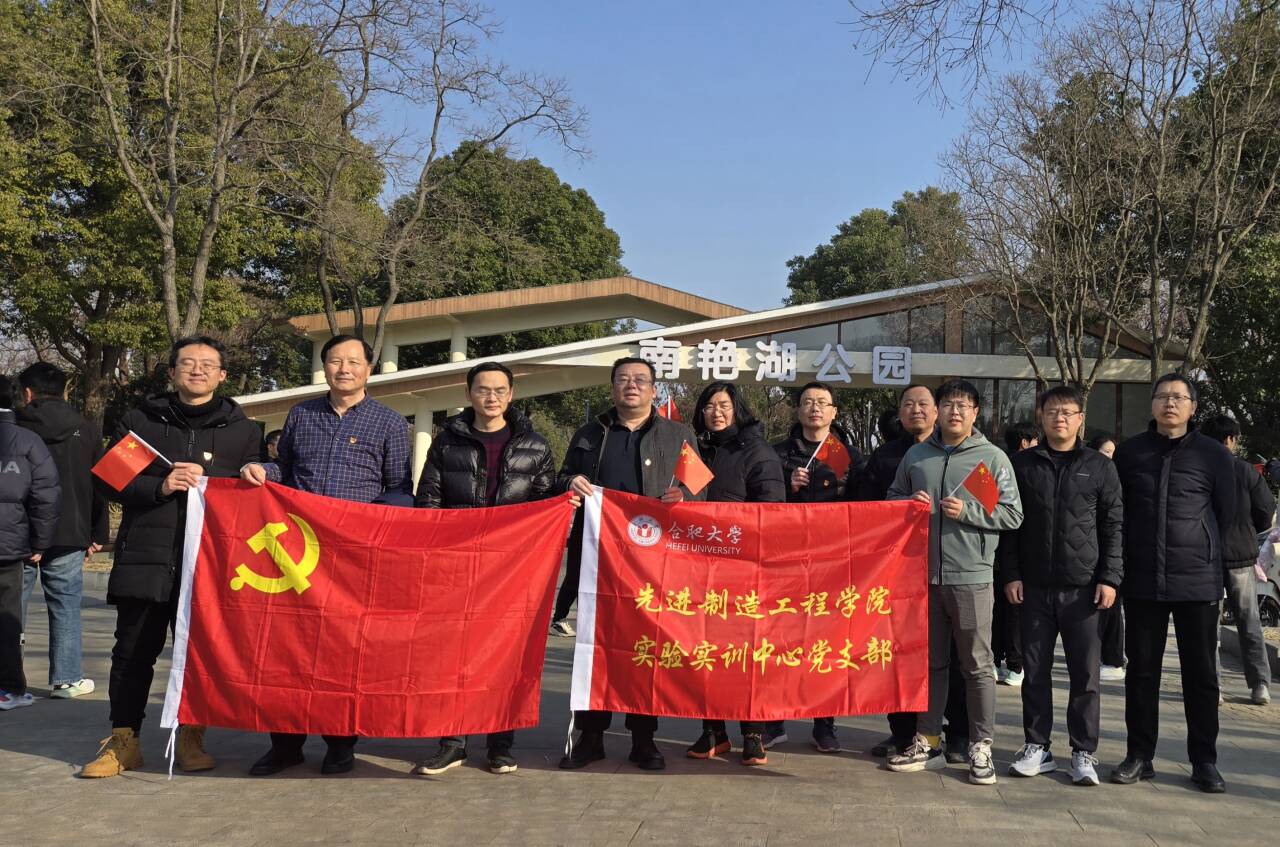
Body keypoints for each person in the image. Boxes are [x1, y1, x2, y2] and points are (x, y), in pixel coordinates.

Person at [81, 337, 261, 777]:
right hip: (146, 557)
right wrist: (159, 487)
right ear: (172, 372)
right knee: (131, 654)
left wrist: (213, 476)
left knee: (200, 655)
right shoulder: (142, 421)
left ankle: (191, 736)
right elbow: (108, 480)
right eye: (188, 363)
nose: (198, 370)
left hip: (210, 566)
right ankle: (123, 742)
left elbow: (252, 492)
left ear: (222, 375)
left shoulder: (243, 431)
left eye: (208, 364)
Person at [241, 334, 412, 776]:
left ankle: (340, 742)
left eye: (354, 362)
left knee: (343, 650)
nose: (344, 369)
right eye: (336, 361)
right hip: (297, 553)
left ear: (369, 369)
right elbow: (285, 469)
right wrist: (261, 469)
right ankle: (285, 743)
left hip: (352, 557)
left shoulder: (391, 423)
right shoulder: (301, 415)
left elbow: (399, 490)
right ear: (325, 367)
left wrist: (366, 526)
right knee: (288, 648)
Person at [410, 361, 556, 777]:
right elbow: (429, 498)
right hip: (458, 564)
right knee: (452, 654)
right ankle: (452, 742)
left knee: (506, 654)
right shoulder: (447, 441)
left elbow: (545, 502)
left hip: (513, 568)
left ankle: (500, 744)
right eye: (483, 389)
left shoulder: (535, 445)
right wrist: (439, 551)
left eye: (499, 390)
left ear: (511, 395)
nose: (491, 397)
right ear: (469, 393)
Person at [556, 357, 701, 772]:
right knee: (595, 645)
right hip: (597, 558)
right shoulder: (590, 433)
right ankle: (591, 737)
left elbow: (699, 486)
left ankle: (643, 738)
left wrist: (685, 497)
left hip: (654, 563)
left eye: (640, 380)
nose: (631, 386)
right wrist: (570, 482)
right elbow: (562, 476)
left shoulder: (678, 434)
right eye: (623, 379)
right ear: (612, 388)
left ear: (654, 389)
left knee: (646, 649)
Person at [886, 378, 1023, 786]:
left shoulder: (990, 459)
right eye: (948, 404)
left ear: (975, 413)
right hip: (923, 577)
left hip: (972, 577)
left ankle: (981, 745)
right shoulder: (917, 456)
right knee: (931, 664)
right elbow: (891, 498)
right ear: (937, 412)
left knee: (978, 665)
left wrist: (969, 512)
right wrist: (907, 504)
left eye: (963, 405)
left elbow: (1012, 514)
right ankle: (928, 741)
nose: (954, 412)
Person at [1111, 374, 1235, 794]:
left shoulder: (1213, 455)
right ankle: (1139, 755)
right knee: (1141, 673)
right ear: (1152, 404)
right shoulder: (1130, 453)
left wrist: (1215, 563)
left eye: (1179, 397)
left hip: (1197, 580)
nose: (1170, 403)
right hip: (1143, 579)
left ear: (1193, 407)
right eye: (1163, 396)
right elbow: (1117, 514)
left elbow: (1228, 515)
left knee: (1201, 675)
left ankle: (1204, 760)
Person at [1002, 386, 1123, 787]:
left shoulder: (1099, 466)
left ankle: (1083, 751)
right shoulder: (1022, 464)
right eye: (1052, 411)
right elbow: (1010, 526)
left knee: (1085, 675)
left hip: (1084, 589)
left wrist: (1110, 578)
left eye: (1068, 412)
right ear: (1041, 416)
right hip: (1034, 587)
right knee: (1034, 671)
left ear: (1080, 419)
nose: (1060, 418)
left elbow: (1113, 526)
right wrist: (1011, 574)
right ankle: (1037, 746)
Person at [856, 385, 970, 764]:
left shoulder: (970, 454)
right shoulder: (887, 455)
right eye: (908, 404)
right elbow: (868, 506)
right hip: (898, 572)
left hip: (953, 570)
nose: (916, 410)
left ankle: (959, 734)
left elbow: (997, 510)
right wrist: (902, 505)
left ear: (936, 411)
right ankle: (903, 731)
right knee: (900, 653)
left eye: (923, 404)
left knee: (954, 656)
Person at [682, 381, 785, 767]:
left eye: (723, 405)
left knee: (748, 653)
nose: (716, 412)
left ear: (737, 409)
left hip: (744, 569)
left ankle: (753, 732)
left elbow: (773, 513)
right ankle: (713, 730)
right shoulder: (693, 450)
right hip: (697, 568)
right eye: (709, 406)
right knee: (704, 651)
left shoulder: (758, 452)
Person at [766, 382, 864, 752]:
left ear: (834, 412)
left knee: (828, 645)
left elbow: (867, 507)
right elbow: (761, 503)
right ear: (798, 410)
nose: (815, 408)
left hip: (832, 565)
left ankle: (825, 724)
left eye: (822, 402)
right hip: (785, 565)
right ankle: (774, 721)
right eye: (808, 402)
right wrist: (787, 485)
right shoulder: (777, 454)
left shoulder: (849, 456)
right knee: (780, 641)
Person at [15, 363, 108, 701]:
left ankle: (7, 680)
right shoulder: (86, 428)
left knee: (11, 606)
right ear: (64, 391)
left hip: (20, 531)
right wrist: (97, 532)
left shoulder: (14, 427)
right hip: (71, 528)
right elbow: (101, 483)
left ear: (27, 392)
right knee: (65, 604)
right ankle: (67, 679)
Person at [1201, 415, 1274, 706]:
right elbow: (1265, 509)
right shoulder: (1245, 470)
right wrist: (1249, 531)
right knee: (1248, 619)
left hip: (1204, 555)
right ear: (1230, 439)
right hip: (1241, 554)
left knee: (1207, 625)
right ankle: (1260, 685)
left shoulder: (1199, 468)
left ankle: (1213, 686)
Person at [0, 374, 59, 712]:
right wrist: (40, 541)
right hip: (7, 545)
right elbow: (45, 496)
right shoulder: (28, 441)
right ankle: (9, 688)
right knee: (7, 619)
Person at [993, 422, 1038, 688]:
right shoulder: (1024, 468)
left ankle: (995, 660)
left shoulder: (994, 465)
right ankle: (1015, 666)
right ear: (1024, 443)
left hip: (994, 552)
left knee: (998, 609)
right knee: (1014, 612)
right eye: (1035, 441)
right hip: (1018, 550)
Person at [1088, 433, 1125, 680]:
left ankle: (1113, 659)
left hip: (1112, 555)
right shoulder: (1089, 475)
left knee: (1112, 609)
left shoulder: (1115, 478)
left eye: (1113, 453)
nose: (1109, 458)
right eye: (1105, 452)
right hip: (1089, 556)